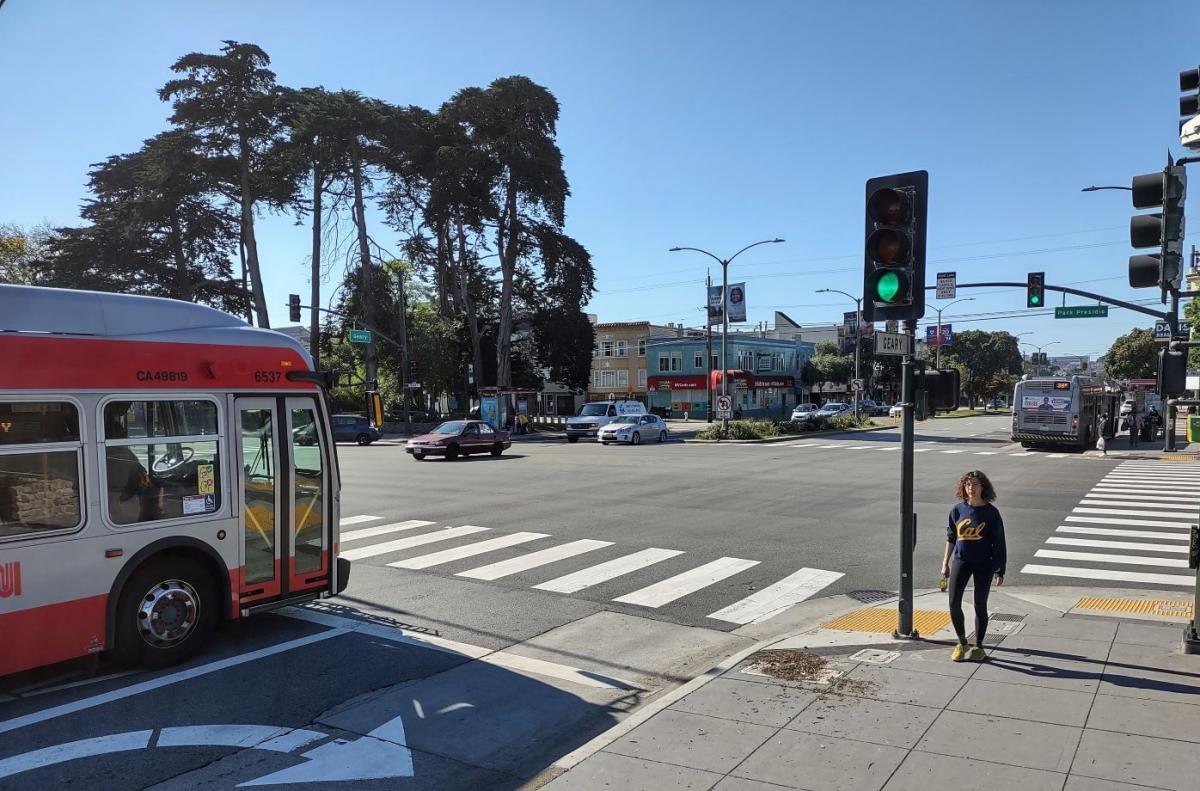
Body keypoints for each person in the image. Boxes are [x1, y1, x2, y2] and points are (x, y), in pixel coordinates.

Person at [941, 470, 1006, 662]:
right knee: (953, 603)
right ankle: (962, 643)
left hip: (983, 564)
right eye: (968, 484)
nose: (971, 488)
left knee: (980, 605)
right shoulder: (957, 510)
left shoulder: (991, 513)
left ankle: (978, 645)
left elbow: (999, 543)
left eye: (975, 484)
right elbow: (951, 538)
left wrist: (999, 569)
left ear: (983, 487)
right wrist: (945, 563)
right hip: (961, 561)